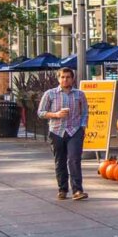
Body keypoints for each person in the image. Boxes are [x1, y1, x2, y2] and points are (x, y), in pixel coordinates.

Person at [38, 68, 89, 201]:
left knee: (74, 159)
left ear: (72, 79)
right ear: (58, 79)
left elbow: (84, 112)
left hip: (74, 131)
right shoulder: (50, 94)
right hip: (56, 131)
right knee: (60, 161)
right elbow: (41, 112)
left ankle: (77, 190)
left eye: (68, 77)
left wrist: (82, 127)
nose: (65, 79)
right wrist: (55, 114)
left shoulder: (79, 94)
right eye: (63, 77)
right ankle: (63, 189)